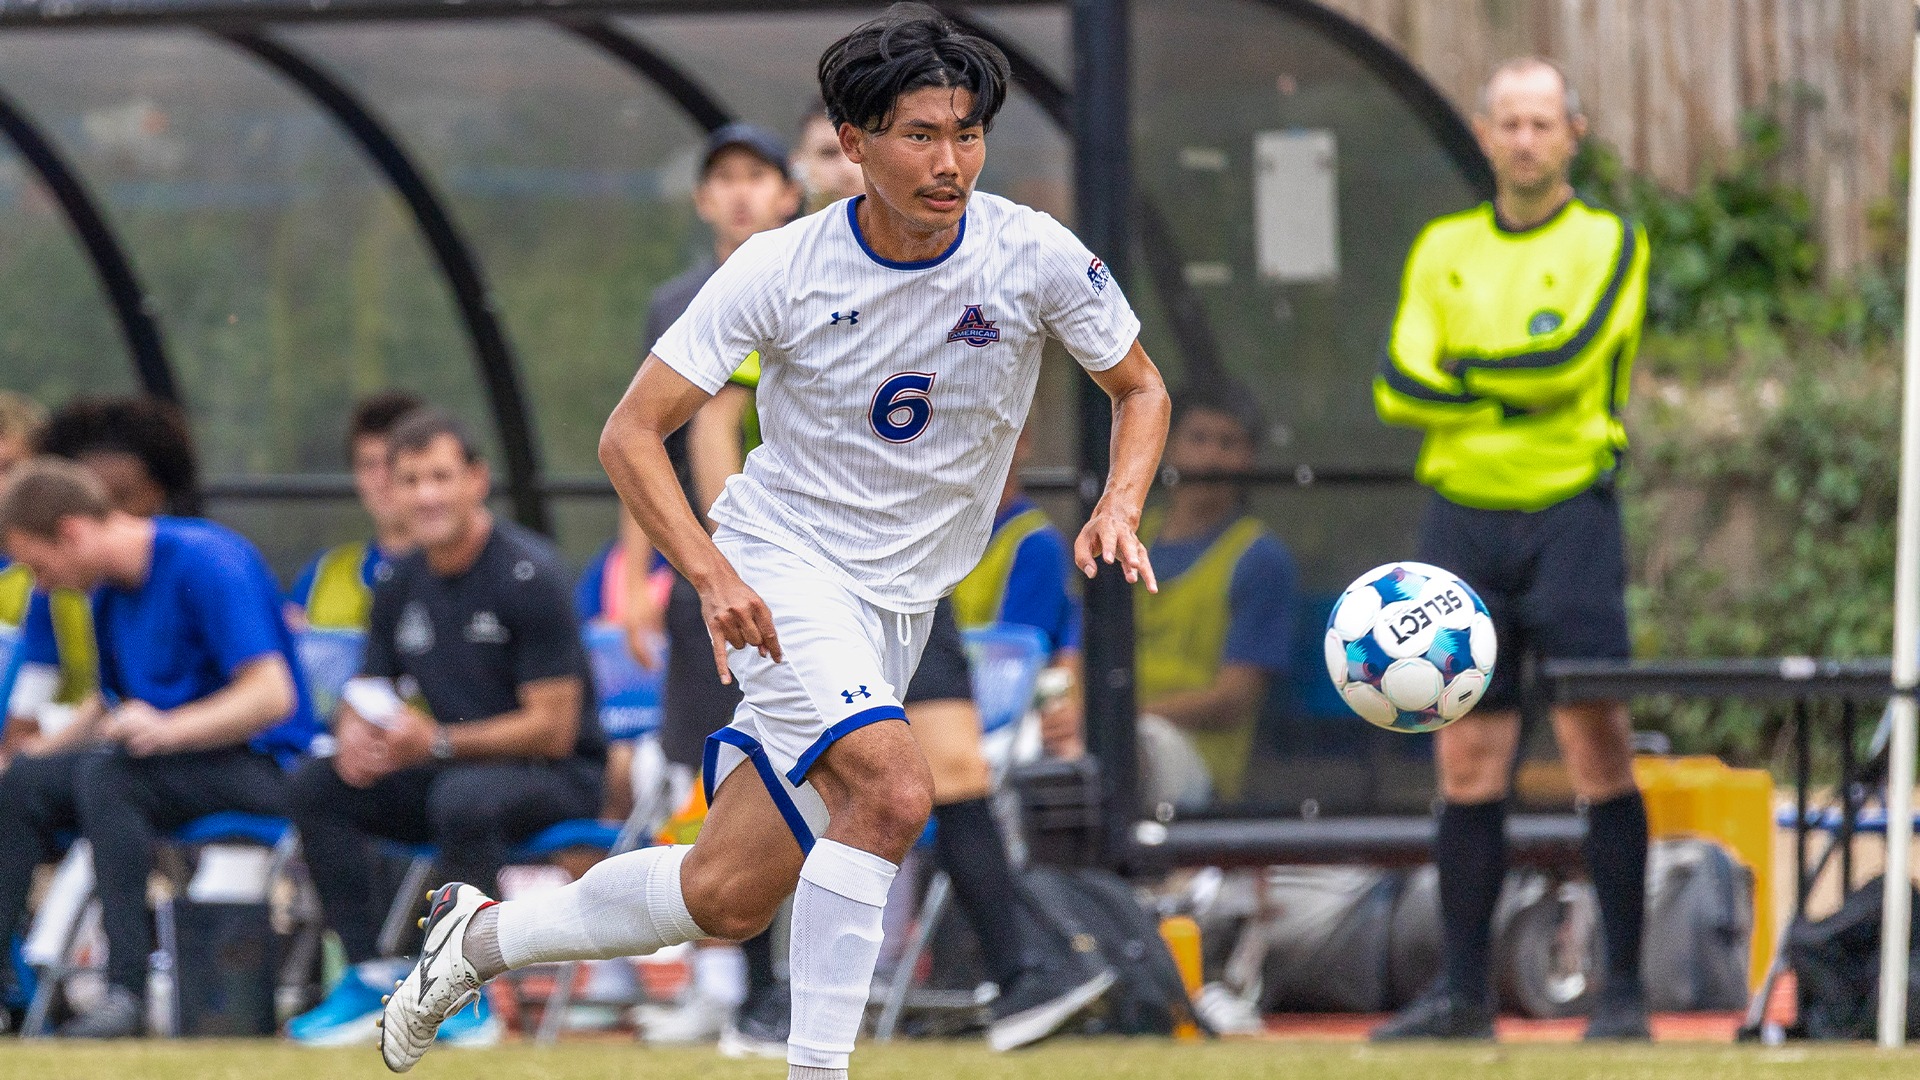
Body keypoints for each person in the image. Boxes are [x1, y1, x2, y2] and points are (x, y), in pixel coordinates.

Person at [377, 8, 1169, 1079]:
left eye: (968, 134)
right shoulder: (778, 268)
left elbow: (1139, 386)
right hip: (784, 568)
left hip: (903, 601)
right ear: (852, 143)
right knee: (892, 790)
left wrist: (1119, 502)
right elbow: (630, 434)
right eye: (920, 135)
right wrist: (708, 575)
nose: (950, 163)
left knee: (725, 895)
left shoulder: (1031, 251)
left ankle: (478, 941)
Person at [1369, 58, 1652, 1042]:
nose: (1526, 139)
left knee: (1596, 749)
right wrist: (1507, 390)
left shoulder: (1608, 242)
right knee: (1467, 760)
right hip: (1462, 524)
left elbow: (1569, 365)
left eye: (1544, 122)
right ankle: (1462, 998)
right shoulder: (1443, 246)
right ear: (1484, 135)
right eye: (1510, 123)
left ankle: (1622, 998)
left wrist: (1469, 378)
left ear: (1574, 132)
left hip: (1570, 513)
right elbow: (1397, 384)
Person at [285, 410, 604, 1047]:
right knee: (317, 785)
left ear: (476, 479)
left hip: (557, 778)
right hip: (450, 769)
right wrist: (356, 733)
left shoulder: (528, 572)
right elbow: (372, 687)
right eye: (411, 481)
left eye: (441, 476)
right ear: (392, 492)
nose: (428, 495)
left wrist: (432, 742)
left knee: (464, 800)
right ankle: (366, 974)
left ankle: (459, 995)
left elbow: (554, 730)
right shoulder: (400, 579)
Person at [0, 457, 318, 1038]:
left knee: (110, 778)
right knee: (21, 785)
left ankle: (127, 993)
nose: (41, 584)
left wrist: (169, 729)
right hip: (164, 764)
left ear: (71, 531)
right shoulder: (108, 591)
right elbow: (112, 702)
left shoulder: (205, 560)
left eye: (38, 566)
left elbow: (272, 696)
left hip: (264, 764)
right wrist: (34, 756)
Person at [1134, 385, 1296, 806]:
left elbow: (1232, 700)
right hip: (1099, 732)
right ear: (1166, 445)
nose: (1211, 458)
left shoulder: (1260, 558)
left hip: (1194, 761)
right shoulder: (1124, 536)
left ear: (1249, 460)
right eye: (1198, 438)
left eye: (1228, 443)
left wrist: (1120, 721)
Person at [949, 424, 1083, 758]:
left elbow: (1005, 682)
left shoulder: (1036, 545)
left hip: (988, 723)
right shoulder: (934, 531)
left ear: (1022, 441)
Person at [286, 392, 423, 631]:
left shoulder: (462, 568)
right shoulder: (323, 573)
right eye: (368, 465)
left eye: (392, 462)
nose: (381, 479)